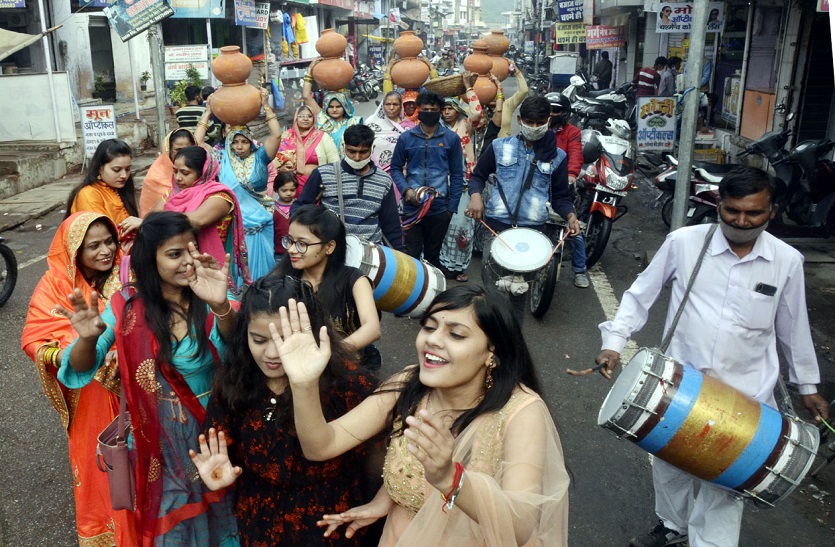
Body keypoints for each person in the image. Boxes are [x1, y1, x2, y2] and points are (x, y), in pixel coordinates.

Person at [595, 166, 830, 547]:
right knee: (669, 465)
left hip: (746, 396)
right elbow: (641, 294)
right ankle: (673, 527)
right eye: (732, 210)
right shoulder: (684, 243)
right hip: (681, 386)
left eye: (753, 213)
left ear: (771, 212)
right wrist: (614, 343)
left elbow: (793, 327)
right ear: (718, 204)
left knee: (725, 479)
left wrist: (808, 386)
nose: (741, 221)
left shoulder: (787, 261)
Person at [269, 285, 570, 545]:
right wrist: (304, 384)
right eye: (429, 326)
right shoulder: (407, 385)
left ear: (493, 353)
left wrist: (450, 479)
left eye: (456, 334)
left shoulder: (521, 412)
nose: (433, 340)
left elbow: (519, 527)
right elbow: (320, 445)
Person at [57, 211, 240, 546]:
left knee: (221, 520)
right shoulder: (126, 307)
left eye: (191, 249)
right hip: (158, 446)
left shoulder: (212, 296)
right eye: (174, 254)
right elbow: (80, 367)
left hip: (211, 436)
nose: (188, 261)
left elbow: (238, 357)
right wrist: (85, 338)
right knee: (171, 531)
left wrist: (221, 306)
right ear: (149, 260)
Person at [190, 275, 381, 546]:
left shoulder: (348, 382)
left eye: (284, 340)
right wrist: (221, 473)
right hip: (259, 520)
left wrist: (382, 500)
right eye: (259, 340)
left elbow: (392, 452)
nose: (272, 353)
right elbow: (219, 452)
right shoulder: (235, 382)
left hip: (330, 523)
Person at [22, 212, 136, 546]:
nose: (105, 251)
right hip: (90, 397)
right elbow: (34, 337)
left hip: (134, 391)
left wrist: (123, 349)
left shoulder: (129, 274)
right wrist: (75, 355)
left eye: (109, 241)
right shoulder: (54, 285)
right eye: (94, 246)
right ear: (74, 252)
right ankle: (106, 533)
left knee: (142, 468)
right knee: (101, 468)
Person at [467, 96, 581, 324]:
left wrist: (570, 215)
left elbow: (560, 197)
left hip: (532, 235)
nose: (535, 127)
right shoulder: (499, 147)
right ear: (520, 120)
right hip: (497, 229)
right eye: (530, 121)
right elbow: (477, 176)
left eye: (541, 122)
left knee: (518, 294)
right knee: (493, 291)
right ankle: (493, 343)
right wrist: (476, 196)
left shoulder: (558, 157)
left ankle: (513, 346)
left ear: (548, 121)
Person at [272, 205, 382, 370]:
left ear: (329, 247)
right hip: (296, 365)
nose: (291, 250)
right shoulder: (283, 278)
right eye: (290, 241)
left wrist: (328, 354)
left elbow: (372, 328)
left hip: (343, 366)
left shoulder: (354, 280)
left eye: (302, 243)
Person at [195, 90, 281, 280]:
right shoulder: (220, 158)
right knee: (236, 275)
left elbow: (275, 135)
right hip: (233, 225)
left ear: (251, 143)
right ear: (229, 144)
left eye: (244, 142)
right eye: (235, 142)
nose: (240, 146)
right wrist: (208, 112)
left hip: (260, 224)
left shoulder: (261, 157)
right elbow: (198, 142)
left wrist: (266, 106)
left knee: (263, 275)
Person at [294, 125, 405, 252]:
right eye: (351, 151)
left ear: (372, 149)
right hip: (332, 250)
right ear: (343, 147)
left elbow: (391, 225)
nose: (357, 158)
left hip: (370, 253)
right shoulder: (323, 174)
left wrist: (401, 258)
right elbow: (299, 208)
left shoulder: (384, 180)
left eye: (363, 152)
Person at [390, 91, 465, 270]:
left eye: (434, 109)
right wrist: (406, 190)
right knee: (412, 252)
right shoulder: (407, 138)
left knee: (433, 254)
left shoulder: (450, 138)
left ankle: (434, 291)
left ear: (439, 112)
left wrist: (451, 207)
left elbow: (457, 174)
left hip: (439, 207)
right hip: (412, 205)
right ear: (419, 110)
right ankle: (413, 292)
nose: (429, 112)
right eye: (426, 109)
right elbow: (395, 168)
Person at [160, 145, 251, 292]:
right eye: (175, 171)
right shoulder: (173, 195)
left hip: (208, 266)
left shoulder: (219, 196)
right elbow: (151, 216)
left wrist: (150, 222)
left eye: (185, 173)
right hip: (177, 266)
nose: (178, 178)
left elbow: (197, 220)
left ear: (202, 172)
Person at [437, 73, 485, 282]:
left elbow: (477, 111)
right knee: (441, 224)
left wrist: (468, 88)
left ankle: (458, 266)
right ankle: (439, 263)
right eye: (444, 108)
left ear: (457, 110)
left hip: (465, 182)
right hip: (441, 182)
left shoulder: (465, 125)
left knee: (463, 224)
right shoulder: (436, 129)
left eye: (450, 108)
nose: (447, 112)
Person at [545, 93, 589, 288]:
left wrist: (571, 176)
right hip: (539, 184)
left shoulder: (572, 132)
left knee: (574, 230)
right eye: (549, 110)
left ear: (565, 113)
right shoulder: (539, 128)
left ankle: (580, 270)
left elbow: (575, 155)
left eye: (556, 111)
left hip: (562, 186)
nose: (552, 114)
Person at [66, 139, 142, 250]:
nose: (124, 175)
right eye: (117, 170)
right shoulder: (88, 195)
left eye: (128, 169)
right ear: (100, 167)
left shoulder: (120, 190)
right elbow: (101, 236)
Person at [276, 105, 339, 196]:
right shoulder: (286, 136)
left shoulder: (323, 137)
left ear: (314, 119)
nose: (305, 119)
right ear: (295, 118)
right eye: (301, 116)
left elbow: (335, 162)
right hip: (291, 186)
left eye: (309, 116)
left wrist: (330, 183)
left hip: (316, 183)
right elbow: (275, 160)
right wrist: (280, 168)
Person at [302, 60, 363, 151]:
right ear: (326, 107)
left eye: (338, 106)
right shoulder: (322, 118)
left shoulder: (353, 122)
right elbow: (306, 96)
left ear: (345, 107)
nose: (334, 110)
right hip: (325, 163)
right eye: (330, 107)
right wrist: (310, 70)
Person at [139, 129, 196, 217]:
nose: (184, 154)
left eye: (188, 149)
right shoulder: (155, 177)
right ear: (168, 150)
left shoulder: (204, 172)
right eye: (178, 150)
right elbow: (152, 217)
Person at [364, 91, 415, 180]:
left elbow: (414, 150)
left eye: (395, 104)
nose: (391, 108)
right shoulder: (371, 123)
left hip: (401, 173)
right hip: (374, 173)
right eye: (388, 104)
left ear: (401, 107)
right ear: (382, 105)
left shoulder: (409, 126)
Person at [273, 171, 298, 258]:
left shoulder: (299, 206)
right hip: (278, 252)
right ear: (276, 190)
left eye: (292, 190)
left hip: (297, 250)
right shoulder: (272, 208)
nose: (289, 193)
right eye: (284, 190)